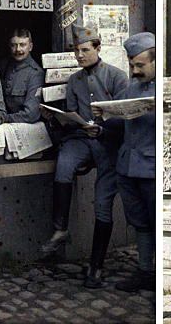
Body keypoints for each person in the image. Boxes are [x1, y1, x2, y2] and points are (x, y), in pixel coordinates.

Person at [40, 24, 129, 289]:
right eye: (76, 51)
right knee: (63, 166)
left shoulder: (117, 77)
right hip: (81, 140)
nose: (79, 55)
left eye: (85, 50)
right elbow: (72, 115)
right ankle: (61, 229)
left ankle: (96, 267)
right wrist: (60, 119)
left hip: (109, 144)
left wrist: (102, 128)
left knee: (102, 204)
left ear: (98, 49)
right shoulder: (74, 81)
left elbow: (124, 117)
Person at [96, 32, 156, 292]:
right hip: (127, 167)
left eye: (140, 66)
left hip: (152, 169)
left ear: (155, 62)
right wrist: (103, 119)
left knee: (156, 222)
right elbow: (121, 124)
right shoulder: (130, 88)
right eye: (132, 65)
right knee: (139, 222)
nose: (134, 71)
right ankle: (144, 271)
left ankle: (160, 271)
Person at [0, 29, 45, 124]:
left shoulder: (35, 74)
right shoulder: (2, 66)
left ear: (30, 47)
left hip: (23, 126)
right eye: (14, 45)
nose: (18, 49)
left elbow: (30, 115)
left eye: (22, 45)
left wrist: (0, 118)